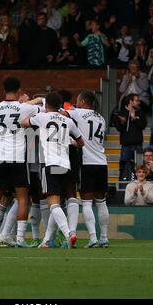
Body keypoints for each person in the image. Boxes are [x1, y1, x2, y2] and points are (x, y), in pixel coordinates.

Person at [21, 91, 84, 249]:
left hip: (49, 163)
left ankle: (69, 233)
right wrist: (71, 142)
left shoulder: (42, 117)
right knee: (59, 202)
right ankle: (47, 240)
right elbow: (81, 142)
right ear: (60, 105)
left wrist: (39, 109)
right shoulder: (67, 121)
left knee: (53, 203)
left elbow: (23, 121)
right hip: (66, 165)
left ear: (46, 104)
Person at [0, 76, 43, 248]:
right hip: (17, 157)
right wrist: (34, 100)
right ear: (19, 90)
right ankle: (19, 238)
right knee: (23, 197)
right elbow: (44, 109)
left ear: (3, 90)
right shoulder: (24, 107)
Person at [63, 90, 110, 248]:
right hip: (102, 163)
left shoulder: (78, 113)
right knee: (102, 202)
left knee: (87, 203)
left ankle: (93, 238)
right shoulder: (101, 118)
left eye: (78, 100)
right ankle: (104, 237)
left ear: (83, 102)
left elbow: (61, 113)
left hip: (87, 162)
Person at [114, 94, 147, 181]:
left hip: (138, 145)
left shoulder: (140, 112)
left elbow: (143, 125)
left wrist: (134, 118)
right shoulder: (121, 112)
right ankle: (123, 186)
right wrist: (122, 122)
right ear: (130, 101)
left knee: (139, 168)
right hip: (126, 145)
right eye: (136, 100)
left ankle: (140, 186)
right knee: (124, 167)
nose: (138, 102)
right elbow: (119, 129)